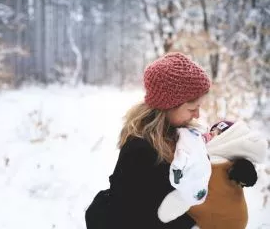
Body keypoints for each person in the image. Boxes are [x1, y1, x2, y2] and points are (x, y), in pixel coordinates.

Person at [85, 52, 256, 229]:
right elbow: (137, 215)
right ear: (169, 106)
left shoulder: (185, 133)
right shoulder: (139, 150)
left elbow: (208, 165)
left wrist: (237, 170)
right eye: (192, 108)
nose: (197, 115)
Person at [158, 120, 265, 224]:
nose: (211, 133)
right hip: (207, 216)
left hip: (221, 220)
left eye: (218, 133)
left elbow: (189, 192)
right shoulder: (201, 151)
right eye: (212, 130)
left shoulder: (217, 162)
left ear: (227, 140)